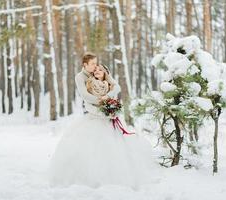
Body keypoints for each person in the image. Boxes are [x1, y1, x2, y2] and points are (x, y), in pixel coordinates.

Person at [47, 52, 158, 189]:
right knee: (89, 148)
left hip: (108, 112)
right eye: (92, 64)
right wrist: (101, 104)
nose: (95, 67)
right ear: (85, 65)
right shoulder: (80, 77)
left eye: (96, 63)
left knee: (115, 148)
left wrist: (108, 97)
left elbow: (116, 86)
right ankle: (86, 179)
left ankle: (119, 177)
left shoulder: (100, 72)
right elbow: (86, 97)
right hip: (94, 114)